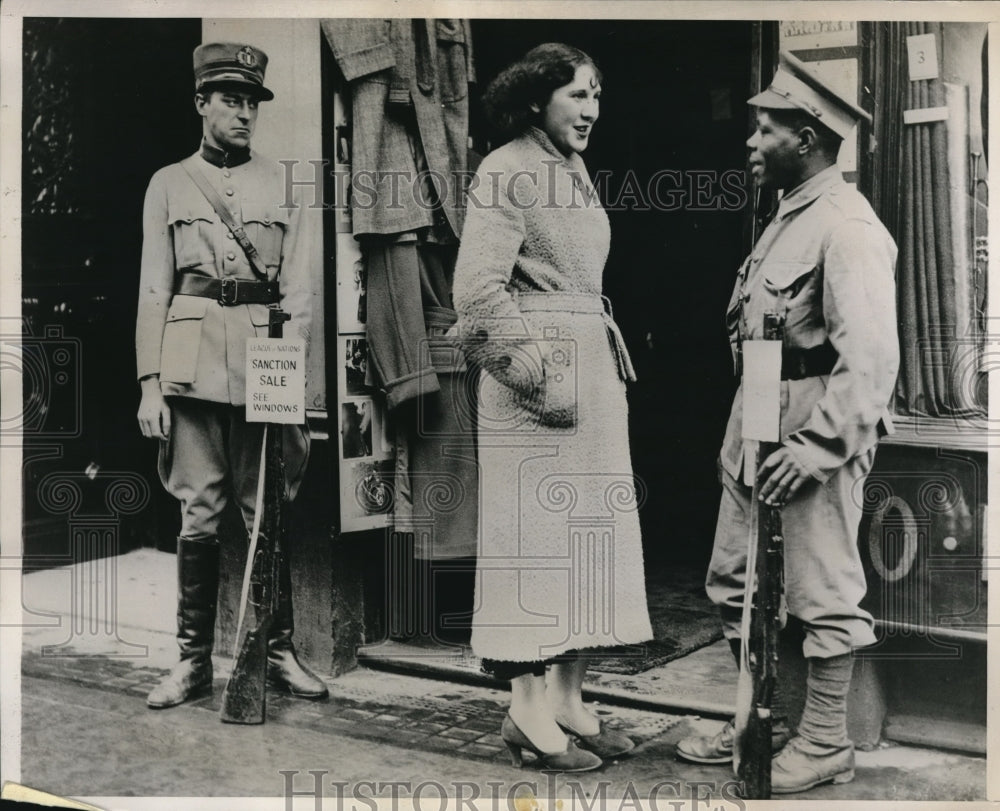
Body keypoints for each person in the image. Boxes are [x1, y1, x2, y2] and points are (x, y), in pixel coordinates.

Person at [675, 51, 899, 793]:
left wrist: (819, 447)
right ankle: (754, 718)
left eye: (762, 127)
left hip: (813, 432)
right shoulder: (787, 216)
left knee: (823, 591)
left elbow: (868, 360)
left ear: (805, 137)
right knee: (737, 579)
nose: (749, 141)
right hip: (759, 425)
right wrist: (744, 433)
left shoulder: (846, 226)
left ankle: (827, 739)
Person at [453, 43, 653, 772]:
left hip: (588, 377)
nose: (592, 109)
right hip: (534, 390)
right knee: (534, 551)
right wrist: (532, 368)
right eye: (577, 95)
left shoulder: (569, 168)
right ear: (538, 99)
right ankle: (527, 713)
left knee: (581, 546)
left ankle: (570, 700)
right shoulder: (504, 168)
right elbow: (476, 291)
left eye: (598, 94)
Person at [136, 42, 327, 708]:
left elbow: (299, 291)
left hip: (263, 365)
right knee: (200, 509)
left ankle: (274, 653)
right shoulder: (168, 182)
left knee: (267, 510)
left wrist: (292, 372)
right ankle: (192, 662)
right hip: (189, 370)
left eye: (252, 100)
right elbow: (153, 290)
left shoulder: (285, 182)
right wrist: (149, 382)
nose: (245, 111)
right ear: (202, 103)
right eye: (232, 99)